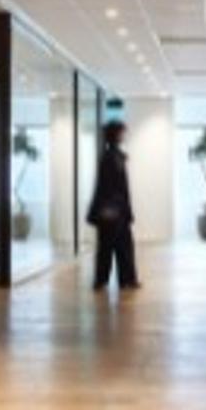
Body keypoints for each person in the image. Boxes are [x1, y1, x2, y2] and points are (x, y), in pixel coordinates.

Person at [86, 120, 140, 292]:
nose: (124, 135)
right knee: (112, 246)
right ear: (116, 135)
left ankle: (122, 280)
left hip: (116, 210)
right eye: (122, 132)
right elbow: (110, 187)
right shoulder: (110, 157)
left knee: (117, 246)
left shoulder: (113, 156)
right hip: (112, 211)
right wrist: (113, 209)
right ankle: (113, 280)